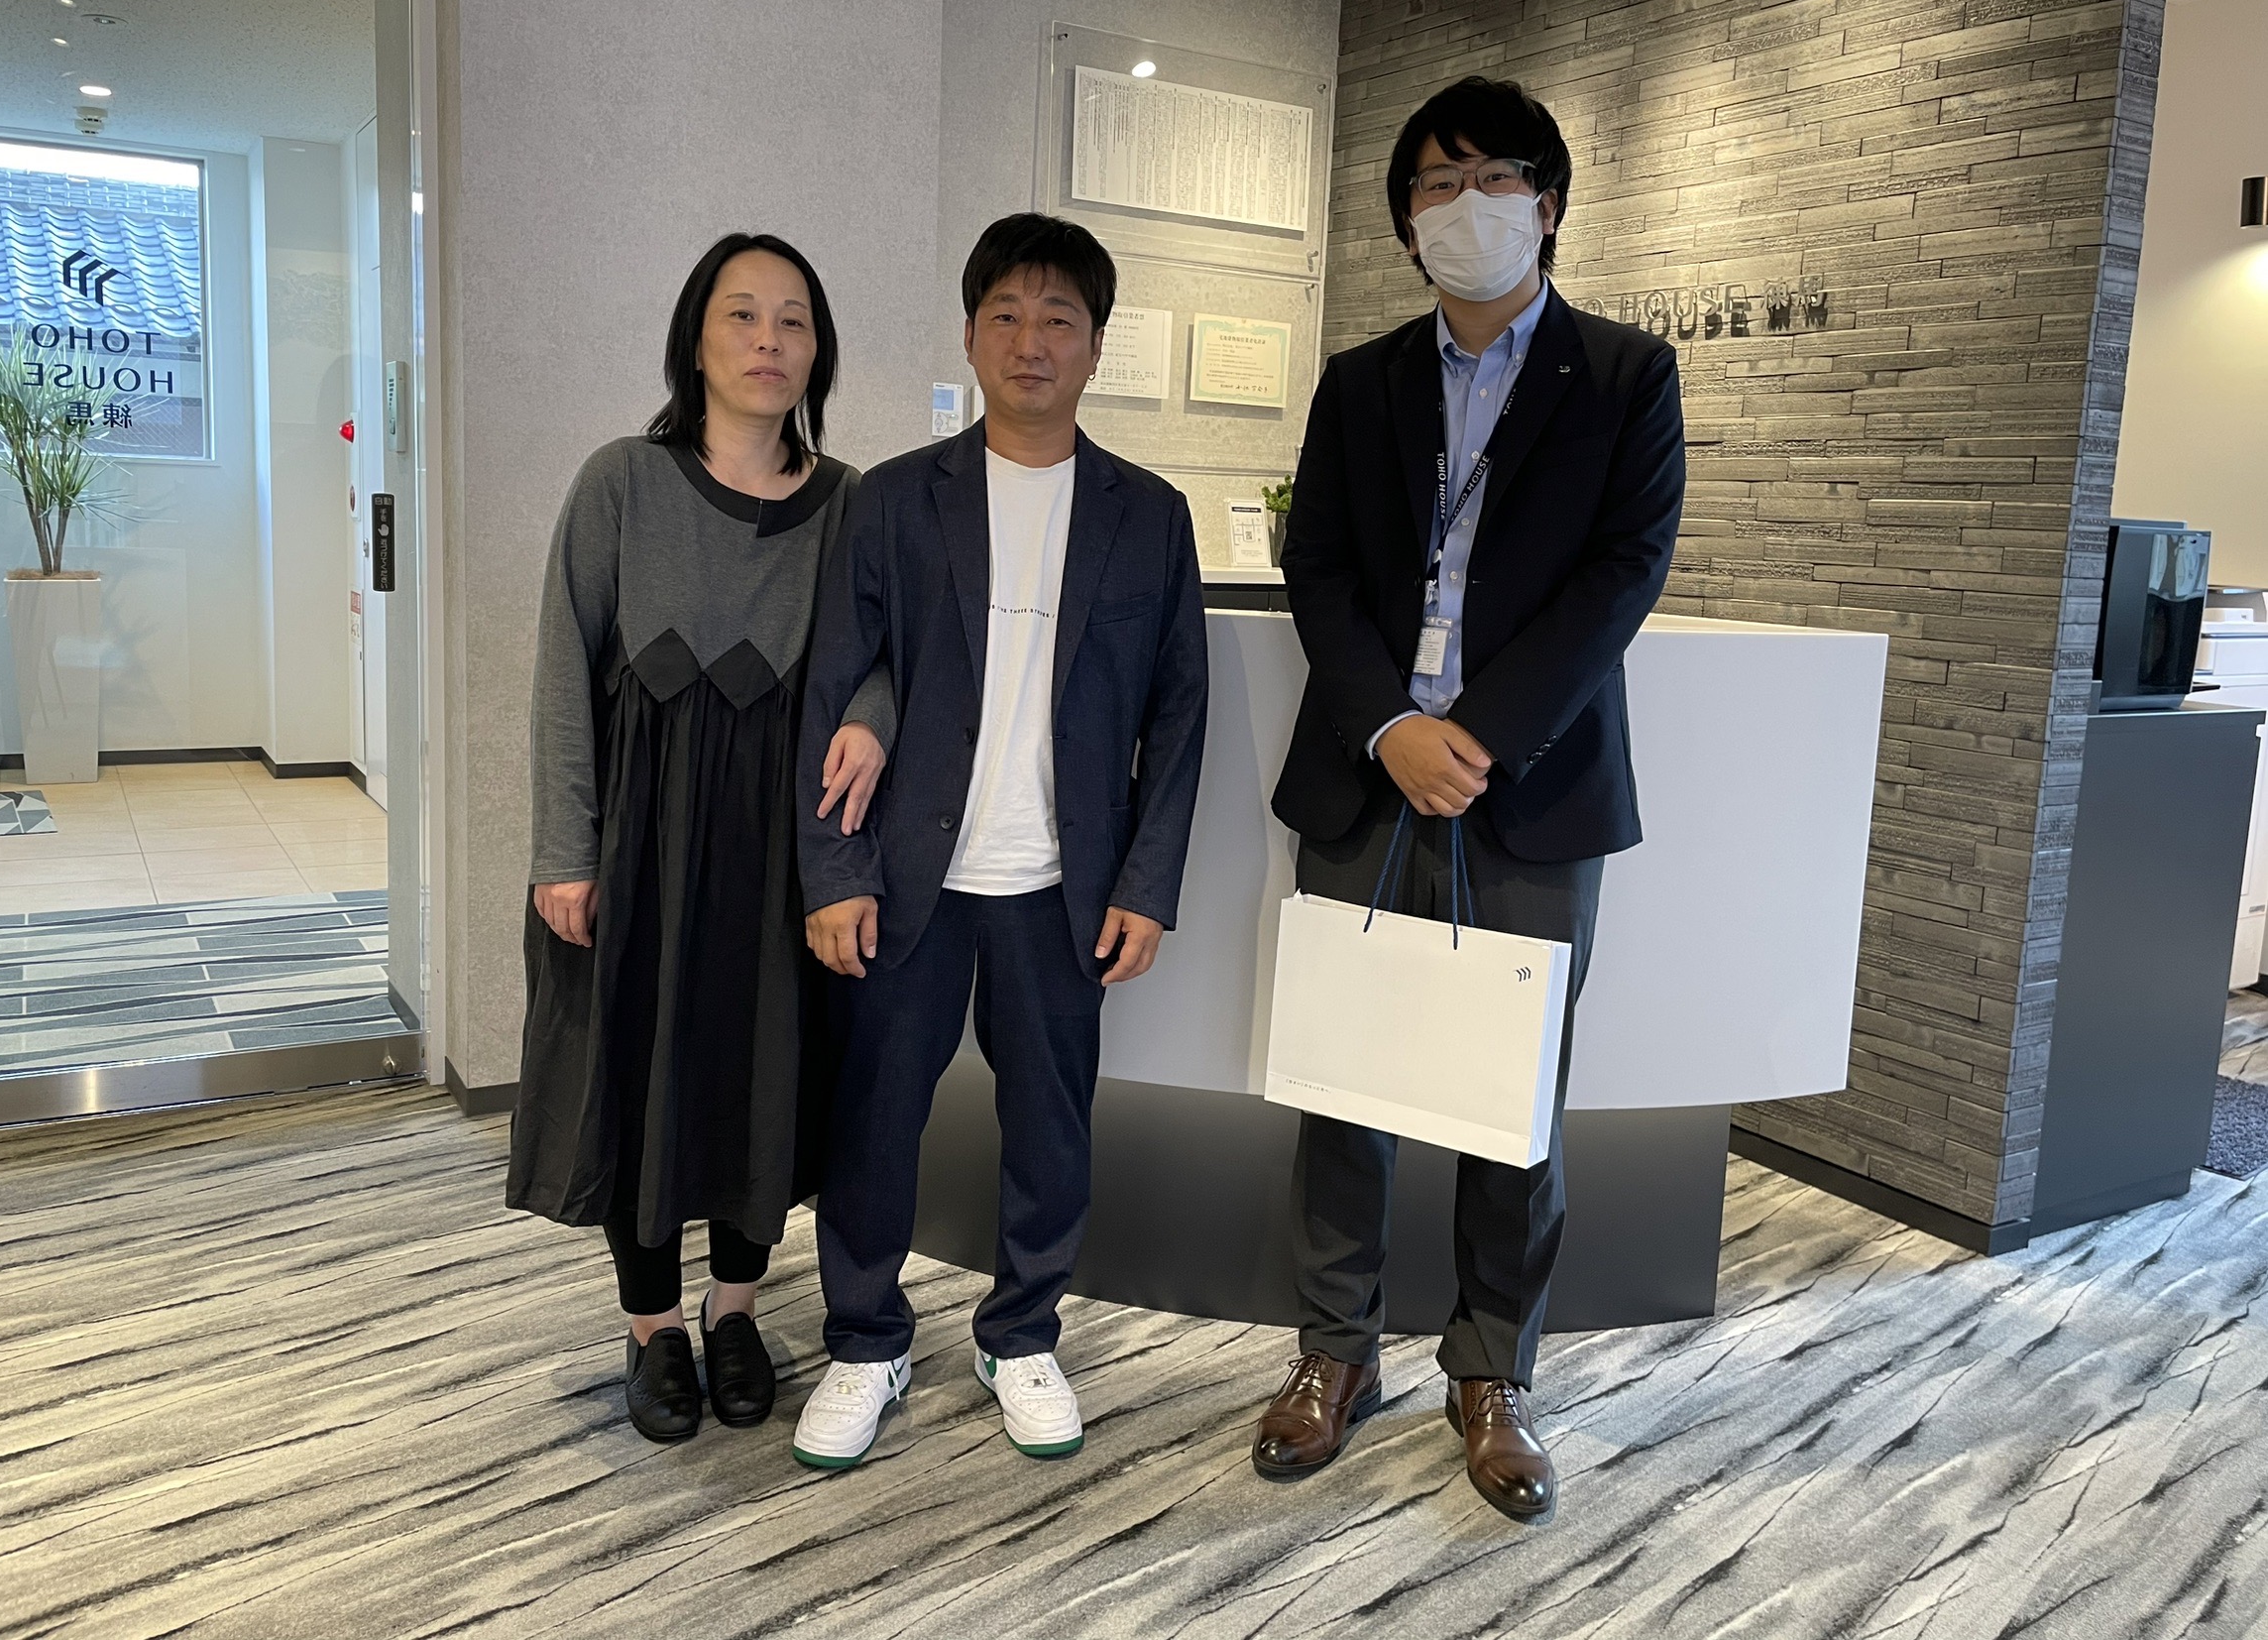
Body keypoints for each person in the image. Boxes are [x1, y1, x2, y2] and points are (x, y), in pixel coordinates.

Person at [1252, 76, 1685, 1520]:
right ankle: (1335, 1351)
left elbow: (1622, 575)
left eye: (1493, 176)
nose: (1464, 204)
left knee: (1513, 1099)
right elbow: (1316, 564)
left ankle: (1492, 1370)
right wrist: (1389, 725)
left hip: (1532, 787)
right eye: (1434, 184)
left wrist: (1477, 734)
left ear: (1547, 203)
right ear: (1406, 223)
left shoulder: (1626, 377)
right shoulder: (1359, 379)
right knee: (1342, 1081)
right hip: (1365, 776)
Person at [787, 213, 1208, 1470]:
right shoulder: (893, 500)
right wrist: (832, 872)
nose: (1032, 342)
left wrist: (1148, 884)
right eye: (1007, 316)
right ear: (970, 335)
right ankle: (866, 1339)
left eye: (1059, 319)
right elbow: (835, 687)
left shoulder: (1151, 515)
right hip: (909, 877)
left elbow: (1181, 714)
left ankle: (1021, 1332)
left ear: (1097, 345)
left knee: (1052, 1128)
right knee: (875, 1121)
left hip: (1061, 886)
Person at [508, 233, 895, 1447]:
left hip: (780, 851)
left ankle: (735, 1310)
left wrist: (875, 719)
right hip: (643, 842)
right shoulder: (621, 481)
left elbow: (890, 653)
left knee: (757, 1075)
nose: (768, 341)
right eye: (742, 315)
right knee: (637, 1075)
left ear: (819, 350)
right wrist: (563, 851)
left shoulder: (850, 503)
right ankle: (652, 1326)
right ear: (696, 338)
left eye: (793, 320)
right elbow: (563, 673)